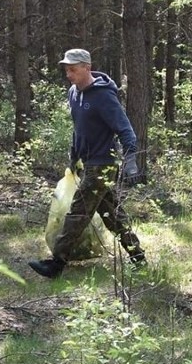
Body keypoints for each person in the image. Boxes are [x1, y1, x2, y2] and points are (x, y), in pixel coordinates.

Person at [28, 48, 146, 278]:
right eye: (66, 69)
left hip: (103, 164)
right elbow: (78, 129)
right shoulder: (74, 93)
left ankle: (56, 264)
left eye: (73, 69)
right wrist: (74, 157)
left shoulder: (104, 96)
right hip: (88, 162)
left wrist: (131, 160)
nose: (69, 74)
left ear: (87, 68)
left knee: (77, 213)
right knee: (113, 215)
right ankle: (138, 257)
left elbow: (125, 130)